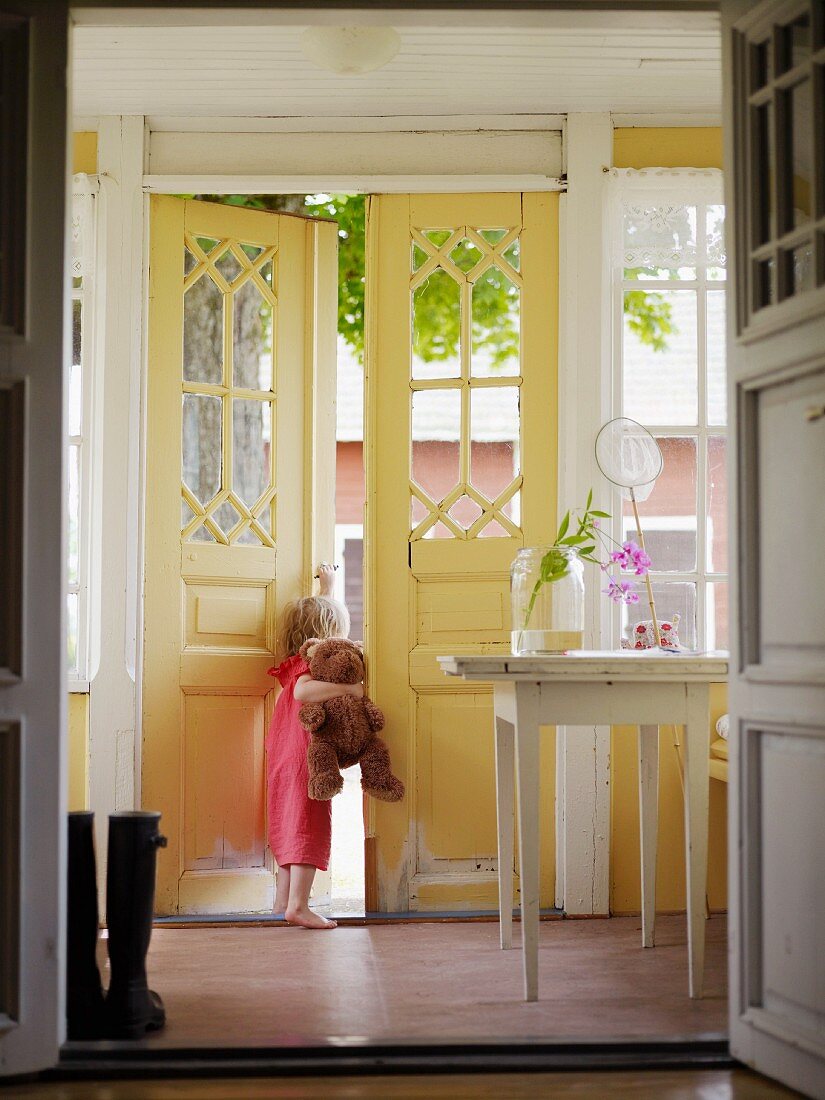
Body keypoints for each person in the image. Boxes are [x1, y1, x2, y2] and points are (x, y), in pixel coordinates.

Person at [266, 565, 358, 929]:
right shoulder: (311, 667)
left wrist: (329, 586)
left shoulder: (293, 663)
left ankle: (282, 902)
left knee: (289, 823)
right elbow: (306, 693)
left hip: (283, 753)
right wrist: (352, 690)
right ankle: (299, 906)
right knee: (308, 823)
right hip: (305, 755)